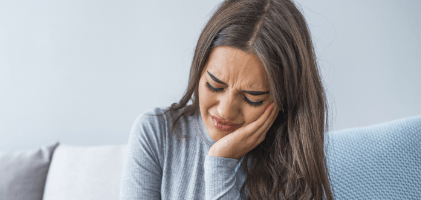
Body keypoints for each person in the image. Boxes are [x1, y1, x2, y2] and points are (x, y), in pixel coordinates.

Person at [119, 0, 334, 199]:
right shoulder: (155, 132)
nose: (225, 112)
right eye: (214, 85)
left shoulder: (294, 163)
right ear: (199, 70)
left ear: (285, 98)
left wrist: (220, 165)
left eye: (252, 98)